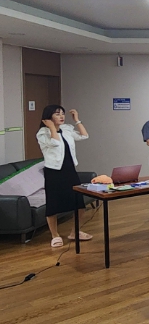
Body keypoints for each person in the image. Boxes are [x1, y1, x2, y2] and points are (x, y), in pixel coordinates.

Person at [36, 105, 91, 248]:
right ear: (48, 117)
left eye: (62, 114)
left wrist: (77, 120)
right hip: (54, 172)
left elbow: (84, 136)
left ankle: (75, 232)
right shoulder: (42, 133)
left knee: (79, 204)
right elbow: (55, 142)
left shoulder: (66, 129)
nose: (61, 116)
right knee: (53, 205)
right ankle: (55, 235)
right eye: (57, 114)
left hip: (70, 170)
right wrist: (51, 127)